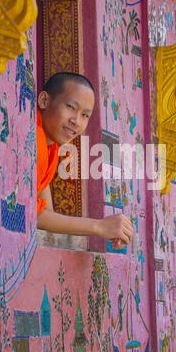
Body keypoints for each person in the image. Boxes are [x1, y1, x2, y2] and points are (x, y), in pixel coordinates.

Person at [37, 72, 133, 249]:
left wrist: (109, 228)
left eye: (85, 115)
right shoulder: (33, 138)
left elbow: (45, 214)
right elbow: (34, 215)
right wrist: (99, 227)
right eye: (70, 107)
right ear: (44, 101)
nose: (76, 121)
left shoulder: (51, 148)